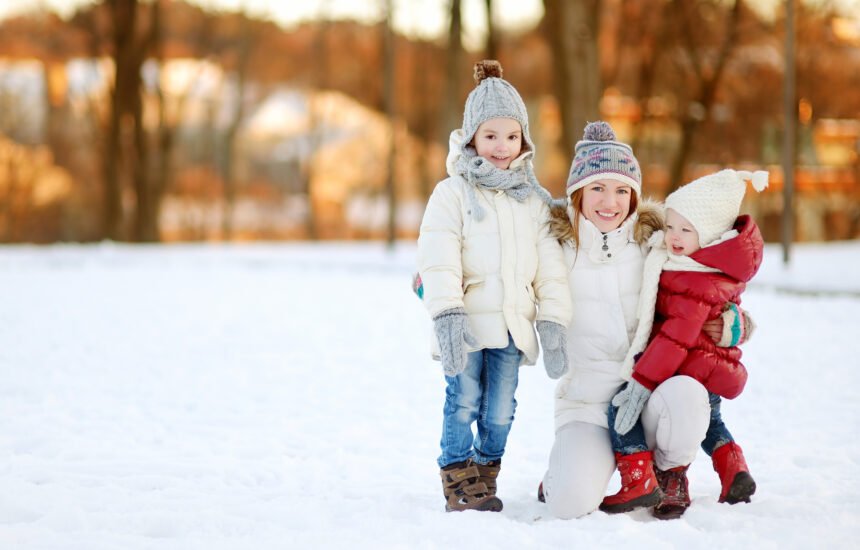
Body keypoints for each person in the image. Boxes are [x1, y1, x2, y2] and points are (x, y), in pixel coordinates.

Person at [538, 121, 753, 520]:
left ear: (634, 196)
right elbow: (507, 274)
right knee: (569, 505)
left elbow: (709, 288)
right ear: (578, 192)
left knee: (690, 394)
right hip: (587, 405)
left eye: (622, 190)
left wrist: (735, 323)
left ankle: (665, 471)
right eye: (598, 188)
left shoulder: (655, 244)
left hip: (648, 396)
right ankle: (562, 474)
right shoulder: (553, 247)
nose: (610, 202)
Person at [416, 60, 572, 513]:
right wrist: (446, 314)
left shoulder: (533, 200)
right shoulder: (453, 193)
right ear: (471, 139)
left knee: (500, 409)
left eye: (511, 136)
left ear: (523, 139)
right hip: (465, 322)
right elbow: (437, 255)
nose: (501, 147)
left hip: (511, 326)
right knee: (463, 400)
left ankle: (485, 473)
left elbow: (549, 268)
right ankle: (458, 476)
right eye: (490, 136)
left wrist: (554, 320)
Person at [601, 168, 766, 518]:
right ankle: (732, 468)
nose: (673, 236)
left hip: (683, 366)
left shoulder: (692, 276)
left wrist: (641, 383)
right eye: (670, 225)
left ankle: (640, 479)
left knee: (621, 409)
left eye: (685, 230)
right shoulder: (707, 265)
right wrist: (736, 326)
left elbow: (675, 338)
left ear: (707, 235)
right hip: (705, 367)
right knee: (711, 423)